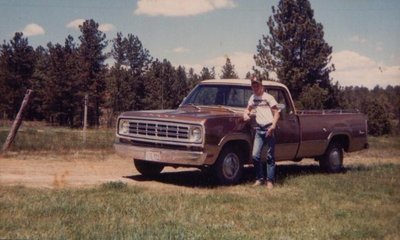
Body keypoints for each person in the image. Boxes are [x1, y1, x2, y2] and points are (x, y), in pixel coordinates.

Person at [243, 76, 280, 189]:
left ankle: (270, 181)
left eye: (257, 85)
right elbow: (248, 109)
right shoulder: (252, 98)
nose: (255, 87)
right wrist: (245, 114)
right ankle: (259, 178)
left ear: (261, 86)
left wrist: (273, 126)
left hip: (269, 128)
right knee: (255, 155)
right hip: (259, 129)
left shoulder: (268, 97)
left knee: (269, 156)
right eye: (253, 85)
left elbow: (277, 112)